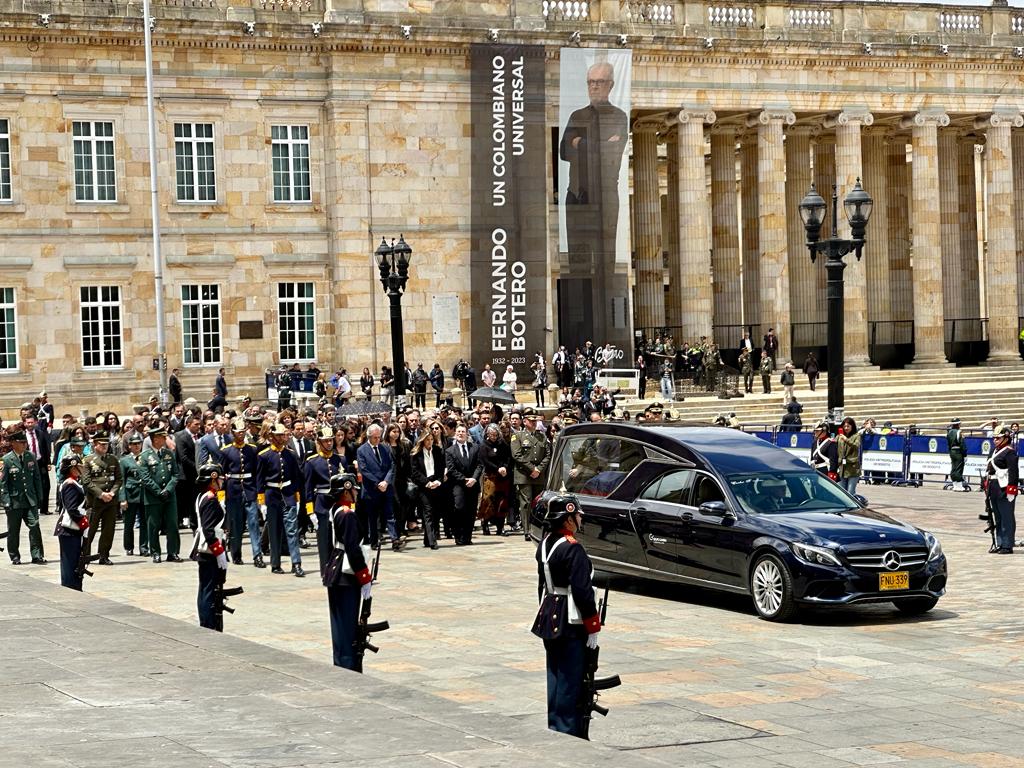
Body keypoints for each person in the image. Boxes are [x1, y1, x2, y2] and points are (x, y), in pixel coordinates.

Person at [559, 61, 629, 353]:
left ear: (611, 85)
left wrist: (582, 142)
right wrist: (594, 143)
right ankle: (579, 337)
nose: (594, 87)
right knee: (578, 269)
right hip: (577, 197)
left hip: (605, 198)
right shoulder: (577, 115)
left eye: (599, 82)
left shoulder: (619, 116)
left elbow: (613, 150)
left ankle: (607, 336)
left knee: (605, 265)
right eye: (590, 82)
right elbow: (563, 150)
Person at [531, 494, 601, 739]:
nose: (580, 518)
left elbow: (542, 584)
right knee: (571, 679)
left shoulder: (545, 544)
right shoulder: (572, 548)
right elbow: (582, 591)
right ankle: (567, 730)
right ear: (568, 519)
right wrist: (593, 625)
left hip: (550, 613)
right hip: (570, 621)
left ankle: (555, 724)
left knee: (555, 674)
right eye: (578, 515)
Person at [323, 472, 372, 671]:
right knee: (347, 627)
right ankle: (347, 666)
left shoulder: (336, 510)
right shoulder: (347, 514)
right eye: (354, 490)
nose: (356, 493)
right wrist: (364, 576)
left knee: (340, 627)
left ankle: (342, 663)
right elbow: (352, 549)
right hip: (346, 576)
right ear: (346, 491)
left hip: (335, 572)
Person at [256, 423, 305, 577]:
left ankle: (296, 563)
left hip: (288, 494)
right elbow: (259, 481)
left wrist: (297, 498)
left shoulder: (290, 454)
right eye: (278, 435)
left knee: (292, 530)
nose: (282, 437)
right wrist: (262, 502)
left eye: (283, 434)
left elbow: (296, 478)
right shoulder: (264, 455)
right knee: (274, 531)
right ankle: (275, 563)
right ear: (271, 437)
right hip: (272, 495)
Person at [191, 462, 230, 631]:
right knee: (208, 589)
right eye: (220, 478)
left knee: (205, 588)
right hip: (209, 551)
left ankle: (206, 622)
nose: (222, 481)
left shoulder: (203, 496)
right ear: (213, 479)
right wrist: (219, 552)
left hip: (205, 550)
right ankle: (208, 624)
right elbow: (208, 530)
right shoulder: (210, 500)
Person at [220, 418, 263, 568]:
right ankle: (236, 553)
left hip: (250, 489)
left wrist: (259, 493)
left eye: (243, 431)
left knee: (254, 523)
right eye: (238, 432)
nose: (241, 434)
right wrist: (221, 496)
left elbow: (257, 472)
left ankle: (257, 555)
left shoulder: (252, 449)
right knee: (236, 524)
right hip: (233, 490)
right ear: (232, 432)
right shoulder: (226, 451)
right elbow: (221, 474)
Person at [2, 429, 46, 565]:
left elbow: (37, 478)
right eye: (21, 442)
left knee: (35, 525)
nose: (24, 445)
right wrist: (6, 502)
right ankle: (14, 556)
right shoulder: (6, 460)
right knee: (14, 530)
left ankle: (37, 555)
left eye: (24, 442)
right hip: (14, 501)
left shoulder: (30, 456)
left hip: (30, 499)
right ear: (13, 443)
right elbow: (3, 484)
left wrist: (40, 497)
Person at [305, 425, 346, 571]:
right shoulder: (312, 462)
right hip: (322, 505)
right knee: (324, 541)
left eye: (331, 440)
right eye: (325, 441)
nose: (329, 443)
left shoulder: (340, 460)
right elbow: (308, 488)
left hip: (338, 504)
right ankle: (325, 571)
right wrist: (310, 511)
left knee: (341, 540)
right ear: (319, 442)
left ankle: (339, 570)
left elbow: (347, 485)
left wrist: (350, 505)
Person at [138, 425, 181, 564]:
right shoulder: (145, 456)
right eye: (163, 437)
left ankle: (173, 552)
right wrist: (158, 492)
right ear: (155, 439)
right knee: (153, 526)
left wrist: (168, 490)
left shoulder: (169, 454)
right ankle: (155, 552)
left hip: (169, 496)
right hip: (153, 498)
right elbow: (145, 478)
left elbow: (175, 474)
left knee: (172, 524)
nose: (165, 439)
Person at [357, 424, 402, 551]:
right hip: (371, 489)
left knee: (390, 514)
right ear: (369, 437)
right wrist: (377, 483)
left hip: (386, 488)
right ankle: (374, 540)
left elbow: (391, 465)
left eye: (379, 437)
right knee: (373, 517)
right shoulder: (361, 450)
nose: (377, 440)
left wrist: (386, 482)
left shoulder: (385, 448)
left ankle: (395, 539)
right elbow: (364, 470)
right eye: (375, 437)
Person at [82, 429, 122, 566]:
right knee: (90, 530)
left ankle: (104, 555)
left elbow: (119, 479)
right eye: (102, 444)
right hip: (95, 501)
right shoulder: (88, 460)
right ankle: (85, 555)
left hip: (110, 501)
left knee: (108, 530)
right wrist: (101, 494)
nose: (105, 446)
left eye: (106, 444)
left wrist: (112, 493)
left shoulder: (113, 459)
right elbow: (86, 481)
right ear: (95, 444)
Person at [511, 408, 551, 539]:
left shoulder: (542, 436)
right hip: (524, 475)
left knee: (538, 502)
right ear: (524, 421)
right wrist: (532, 469)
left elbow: (547, 455)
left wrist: (539, 469)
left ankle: (537, 528)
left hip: (538, 474)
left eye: (535, 420)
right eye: (531, 420)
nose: (534, 423)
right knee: (526, 502)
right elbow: (517, 455)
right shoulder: (518, 436)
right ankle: (527, 530)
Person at [54, 455, 89, 590]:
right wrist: (83, 522)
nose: (81, 469)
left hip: (73, 529)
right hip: (69, 529)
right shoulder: (70, 484)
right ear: (72, 468)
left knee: (75, 561)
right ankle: (70, 588)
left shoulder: (73, 483)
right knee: (70, 563)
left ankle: (74, 586)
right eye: (78, 467)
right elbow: (72, 509)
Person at [446, 424, 482, 546]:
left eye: (463, 431)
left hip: (473, 484)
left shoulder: (475, 448)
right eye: (458, 432)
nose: (460, 433)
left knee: (471, 511)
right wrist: (464, 479)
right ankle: (458, 536)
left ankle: (467, 537)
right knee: (459, 509)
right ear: (455, 434)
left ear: (467, 433)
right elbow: (451, 469)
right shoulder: (450, 451)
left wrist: (474, 478)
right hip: (458, 485)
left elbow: (479, 465)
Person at [410, 429, 445, 550]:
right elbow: (415, 472)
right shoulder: (416, 454)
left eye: (431, 440)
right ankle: (432, 540)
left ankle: (427, 539)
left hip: (436, 484)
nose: (429, 442)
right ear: (422, 441)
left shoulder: (437, 451)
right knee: (428, 512)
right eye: (427, 440)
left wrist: (438, 481)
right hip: (424, 486)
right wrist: (427, 483)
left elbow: (441, 468)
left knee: (435, 512)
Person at [985, 426, 1018, 554]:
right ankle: (1000, 543)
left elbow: (1013, 472)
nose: (995, 440)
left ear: (1006, 438)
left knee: (1006, 517)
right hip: (993, 486)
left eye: (998, 438)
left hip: (1004, 487)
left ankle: (1007, 545)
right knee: (997, 517)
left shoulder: (1009, 452)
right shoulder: (994, 451)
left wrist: (1012, 490)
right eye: (994, 438)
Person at [478, 424, 513, 536]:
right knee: (488, 500)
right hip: (490, 476)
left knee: (502, 501)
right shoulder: (484, 445)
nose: (493, 437)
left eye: (495, 435)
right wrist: (497, 468)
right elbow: (485, 461)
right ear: (487, 434)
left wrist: (505, 468)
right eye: (491, 434)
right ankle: (485, 523)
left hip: (503, 476)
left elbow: (508, 458)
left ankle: (500, 526)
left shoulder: (503, 444)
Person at [119, 433, 148, 556]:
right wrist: (122, 498)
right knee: (129, 523)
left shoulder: (146, 458)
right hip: (130, 494)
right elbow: (121, 480)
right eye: (134, 444)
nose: (137, 446)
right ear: (129, 446)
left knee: (144, 522)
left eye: (138, 444)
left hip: (144, 494)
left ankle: (144, 547)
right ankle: (129, 546)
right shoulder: (124, 460)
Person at [175, 413, 201, 531]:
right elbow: (183, 457)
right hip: (185, 475)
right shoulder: (180, 436)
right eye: (196, 424)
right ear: (188, 424)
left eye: (199, 424)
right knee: (183, 502)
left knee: (195, 500)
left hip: (196, 475)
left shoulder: (199, 436)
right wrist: (198, 467)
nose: (198, 427)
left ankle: (195, 523)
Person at [836, 417, 863, 496]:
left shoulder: (857, 435)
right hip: (842, 468)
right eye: (844, 426)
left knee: (850, 493)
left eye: (848, 426)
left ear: (852, 426)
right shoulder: (839, 436)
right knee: (842, 493)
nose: (846, 428)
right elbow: (834, 446)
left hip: (853, 468)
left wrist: (846, 440)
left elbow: (856, 446)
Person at [945, 418, 969, 492]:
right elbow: (962, 444)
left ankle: (955, 485)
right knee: (959, 468)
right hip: (958, 452)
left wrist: (950, 452)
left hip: (952, 451)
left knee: (954, 468)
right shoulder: (959, 432)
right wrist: (965, 454)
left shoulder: (949, 432)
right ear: (958, 424)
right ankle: (959, 487)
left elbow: (949, 444)